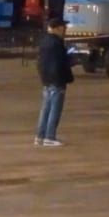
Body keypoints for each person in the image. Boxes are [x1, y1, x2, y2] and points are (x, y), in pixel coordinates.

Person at [34, 18, 73, 146]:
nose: (65, 30)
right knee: (55, 109)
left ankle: (40, 136)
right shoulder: (57, 43)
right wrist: (66, 77)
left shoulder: (44, 42)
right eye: (63, 27)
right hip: (57, 80)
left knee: (45, 109)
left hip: (46, 80)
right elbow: (60, 63)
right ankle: (50, 137)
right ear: (58, 28)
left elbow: (40, 63)